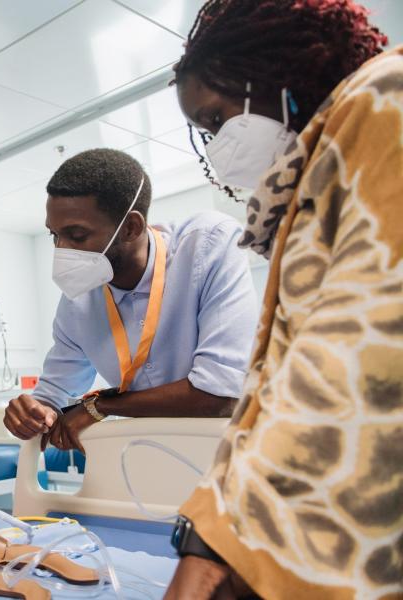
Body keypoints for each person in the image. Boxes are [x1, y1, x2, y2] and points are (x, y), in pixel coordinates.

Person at [165, 1, 401, 598]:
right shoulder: (315, 180)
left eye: (217, 120)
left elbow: (355, 360)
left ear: (276, 73)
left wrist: (216, 551)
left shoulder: (384, 98)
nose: (217, 147)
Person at [4, 148, 258, 451]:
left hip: (229, 456)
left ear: (131, 228)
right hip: (148, 462)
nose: (62, 250)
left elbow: (221, 394)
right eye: (54, 236)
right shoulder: (78, 302)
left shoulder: (208, 247)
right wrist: (32, 412)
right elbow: (53, 394)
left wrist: (100, 406)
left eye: (77, 235)